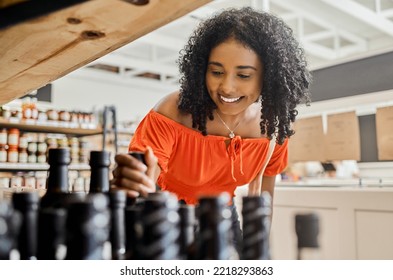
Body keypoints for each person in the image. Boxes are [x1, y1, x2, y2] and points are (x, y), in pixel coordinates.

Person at [111, 7, 311, 252]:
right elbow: (144, 178)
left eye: (244, 75)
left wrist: (258, 250)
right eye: (216, 72)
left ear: (268, 77)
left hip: (223, 217)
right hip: (167, 215)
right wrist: (133, 180)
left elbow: (262, 197)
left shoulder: (272, 127)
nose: (226, 87)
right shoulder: (173, 112)